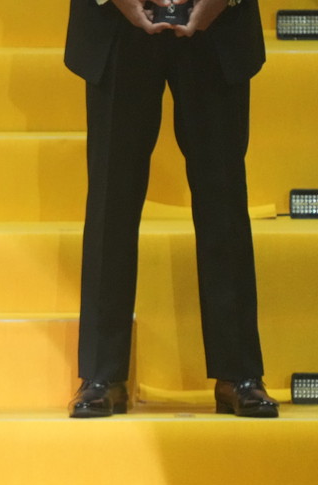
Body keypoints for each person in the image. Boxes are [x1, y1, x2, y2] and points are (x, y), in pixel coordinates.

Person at [66, 0, 278, 418]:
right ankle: (101, 373)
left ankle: (238, 372)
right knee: (111, 199)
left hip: (219, 23)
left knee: (224, 197)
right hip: (115, 23)